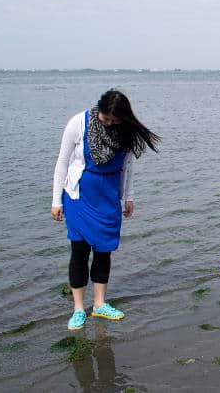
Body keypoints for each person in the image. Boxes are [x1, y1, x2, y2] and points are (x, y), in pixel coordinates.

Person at [51, 89, 159, 330]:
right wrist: (56, 200)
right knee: (79, 251)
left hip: (109, 197)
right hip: (79, 197)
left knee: (103, 251)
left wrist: (128, 196)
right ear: (98, 109)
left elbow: (128, 167)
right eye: (105, 119)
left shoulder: (125, 131)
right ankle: (78, 309)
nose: (109, 123)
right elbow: (62, 161)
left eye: (114, 120)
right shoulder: (78, 123)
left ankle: (99, 304)